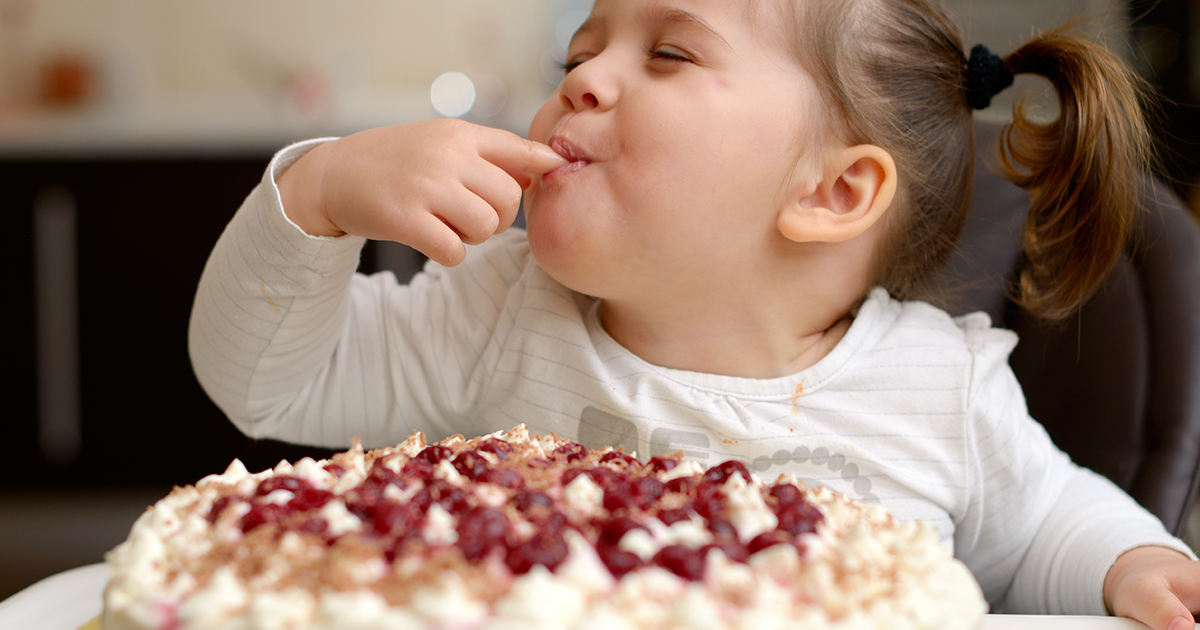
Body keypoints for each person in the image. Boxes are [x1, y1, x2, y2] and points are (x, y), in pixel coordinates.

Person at [187, 0, 1200, 627]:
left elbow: (1049, 522)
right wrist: (315, 194)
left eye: (667, 53)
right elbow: (266, 380)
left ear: (832, 193)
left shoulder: (938, 388)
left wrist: (1142, 565)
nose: (583, 78)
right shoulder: (500, 312)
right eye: (575, 56)